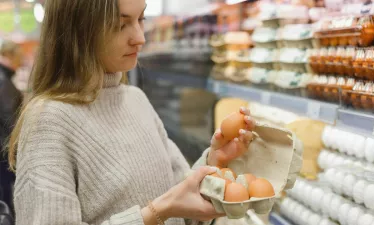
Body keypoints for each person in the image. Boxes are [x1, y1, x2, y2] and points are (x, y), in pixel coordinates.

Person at [7, 1, 256, 225]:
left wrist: (214, 162)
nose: (139, 38)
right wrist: (157, 211)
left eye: (141, 20)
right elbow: (169, 205)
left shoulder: (135, 99)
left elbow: (183, 204)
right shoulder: (49, 120)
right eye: (120, 24)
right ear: (79, 30)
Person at [0, 40, 23, 211]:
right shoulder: (3, 79)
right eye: (18, 57)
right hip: (3, 148)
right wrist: (16, 147)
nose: (20, 61)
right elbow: (9, 117)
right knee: (6, 192)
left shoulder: (4, 77)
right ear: (9, 55)